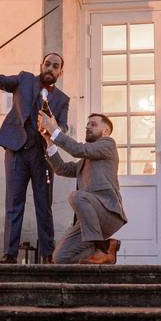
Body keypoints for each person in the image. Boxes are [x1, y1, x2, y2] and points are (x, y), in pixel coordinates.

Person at [0, 52, 70, 264]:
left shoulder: (63, 100)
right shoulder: (24, 79)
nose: (50, 68)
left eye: (55, 66)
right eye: (48, 64)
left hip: (43, 155)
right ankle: (10, 255)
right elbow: (0, 81)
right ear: (41, 65)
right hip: (17, 151)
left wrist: (53, 128)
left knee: (44, 204)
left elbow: (63, 127)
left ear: (60, 72)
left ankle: (48, 255)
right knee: (13, 203)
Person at [38, 111, 126, 265]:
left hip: (108, 212)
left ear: (105, 131)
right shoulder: (86, 161)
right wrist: (49, 141)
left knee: (76, 196)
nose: (88, 127)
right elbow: (62, 169)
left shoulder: (108, 144)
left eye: (93, 124)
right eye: (87, 124)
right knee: (60, 257)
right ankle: (107, 249)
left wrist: (54, 131)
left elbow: (78, 149)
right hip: (89, 219)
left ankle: (101, 249)